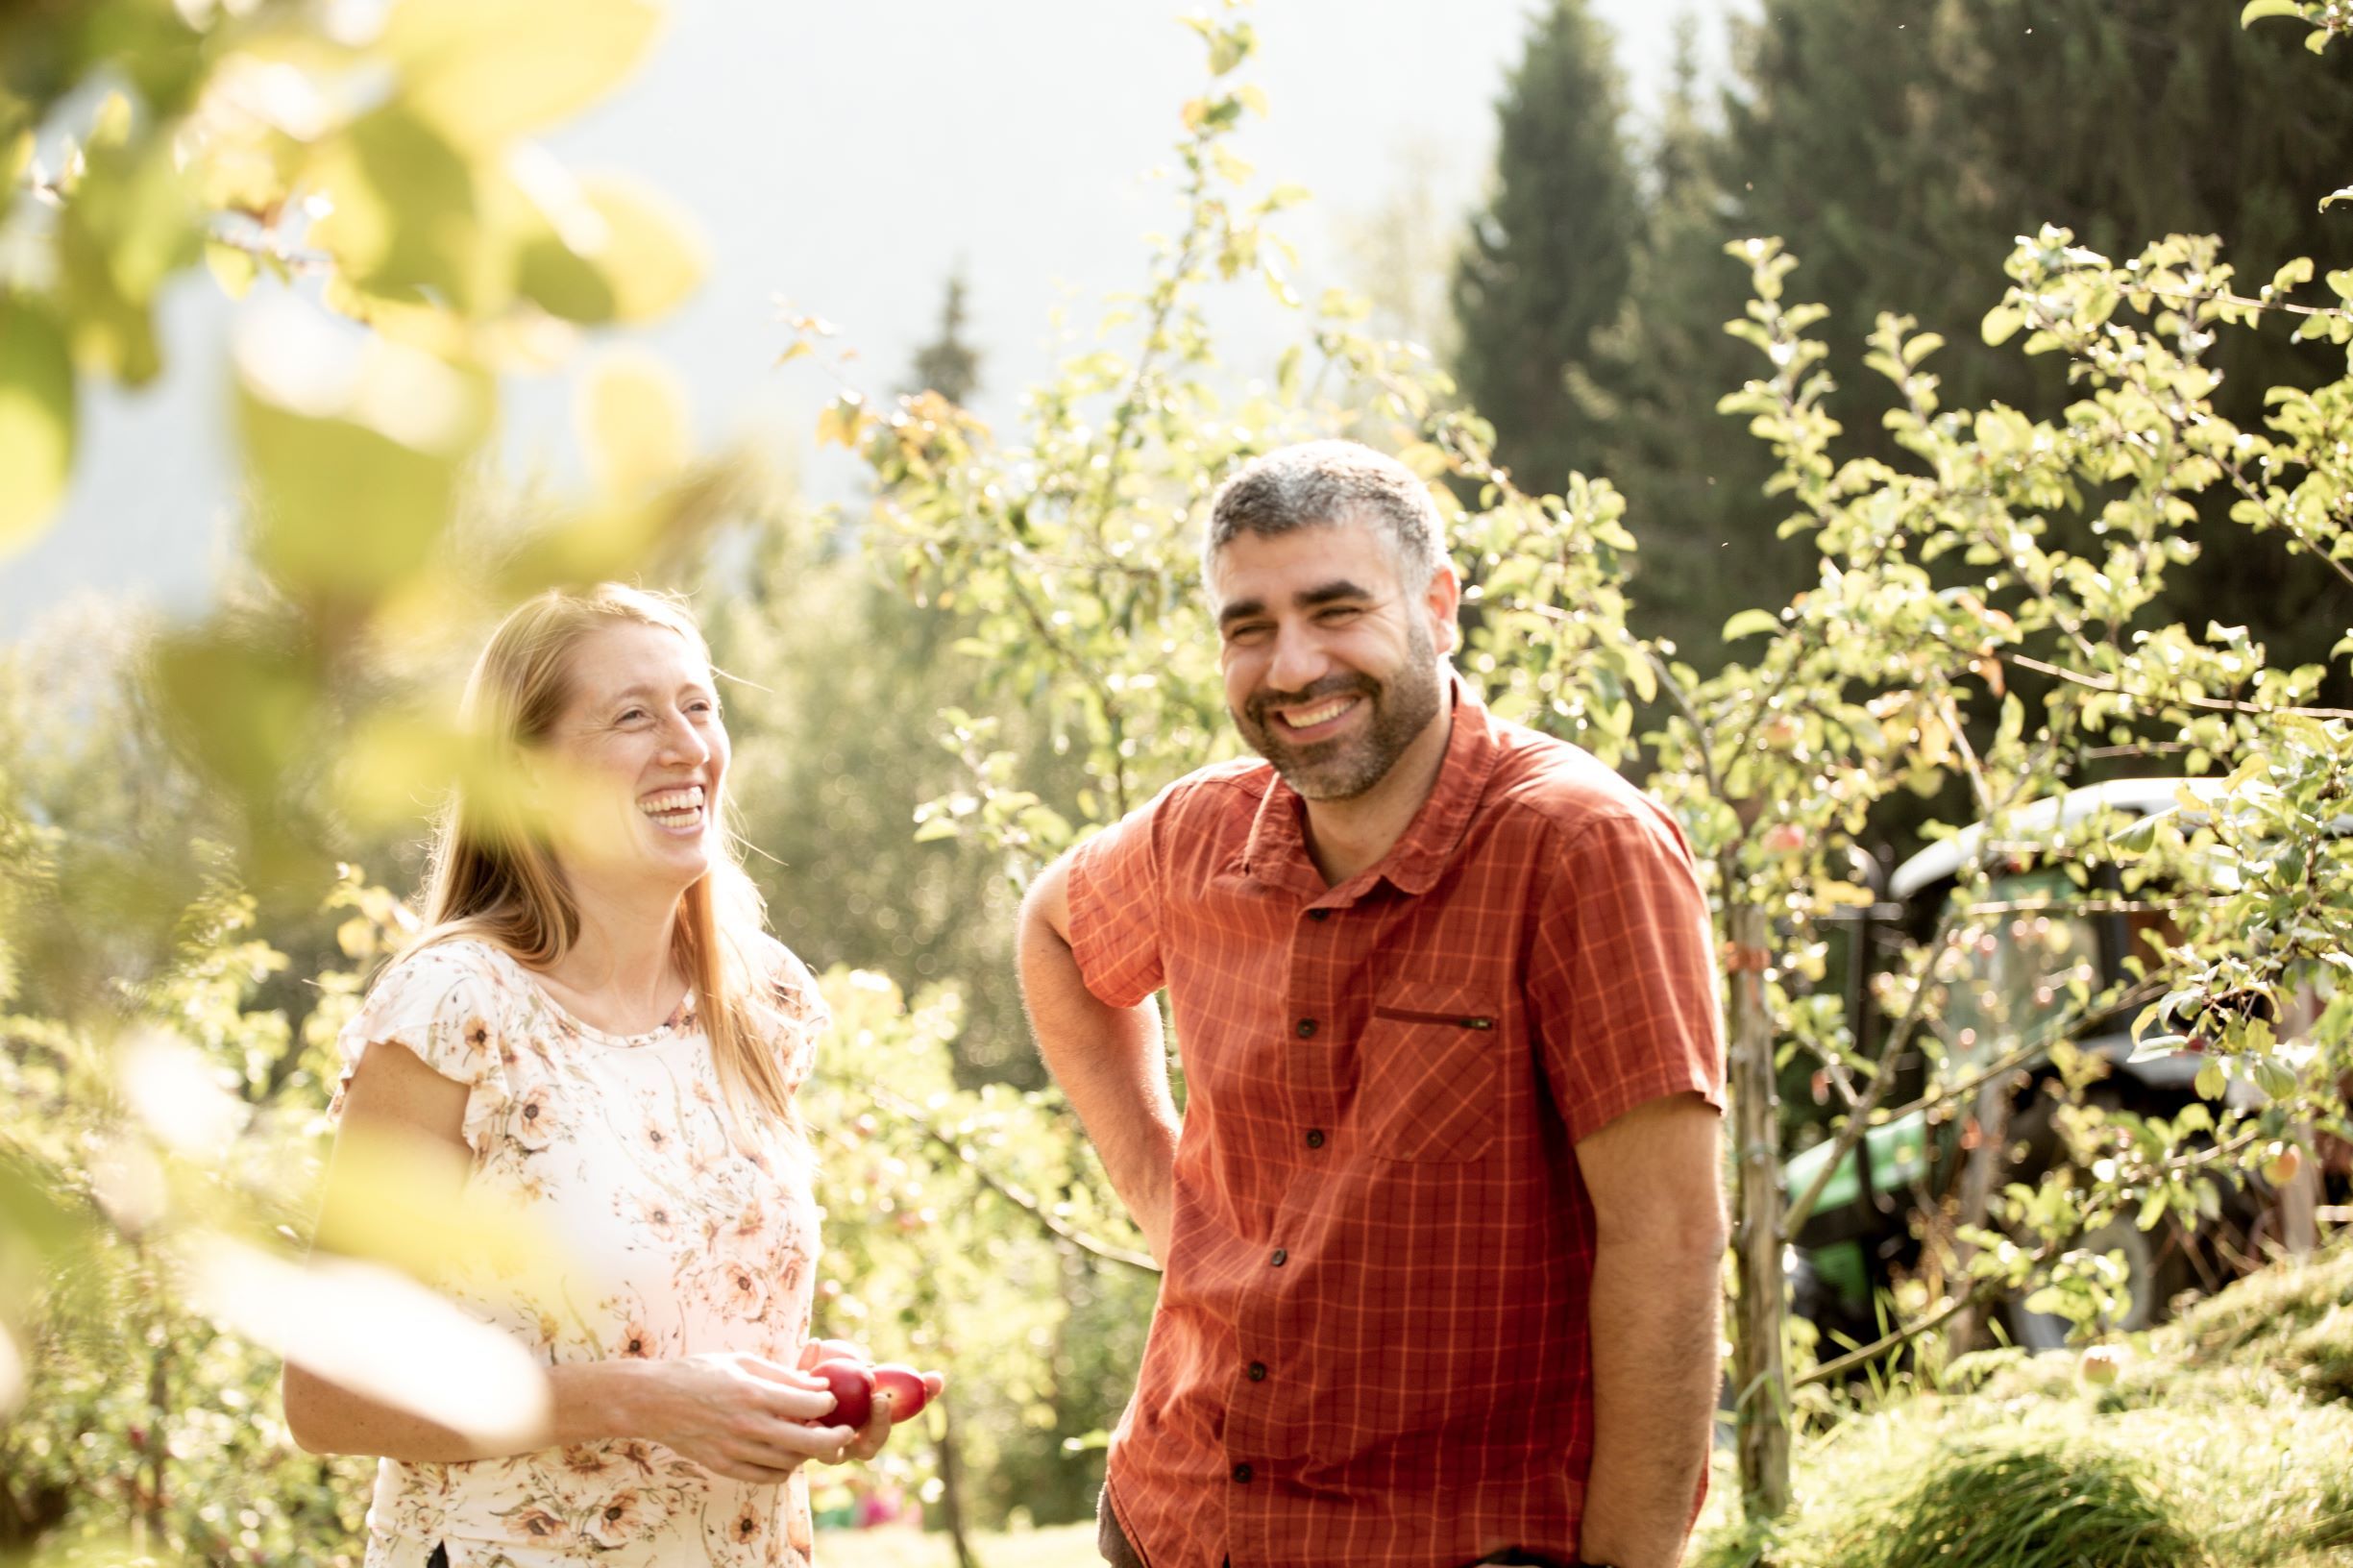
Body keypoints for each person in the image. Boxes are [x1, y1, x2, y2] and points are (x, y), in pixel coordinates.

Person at [1017, 442, 1728, 1568]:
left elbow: (1673, 1244)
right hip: (1177, 1517)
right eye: (1248, 626)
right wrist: (1168, 1200)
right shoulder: (1192, 837)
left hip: (1450, 1537)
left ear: (1438, 606)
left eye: (1333, 610)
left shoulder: (1582, 849)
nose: (1291, 666)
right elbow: (1050, 931)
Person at [282, 584, 939, 1568]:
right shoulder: (456, 1012)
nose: (686, 746)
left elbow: (682, 1310)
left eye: (699, 706)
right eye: (633, 716)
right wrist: (643, 1400)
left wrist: (787, 1392)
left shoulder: (761, 1004)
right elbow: (329, 1394)